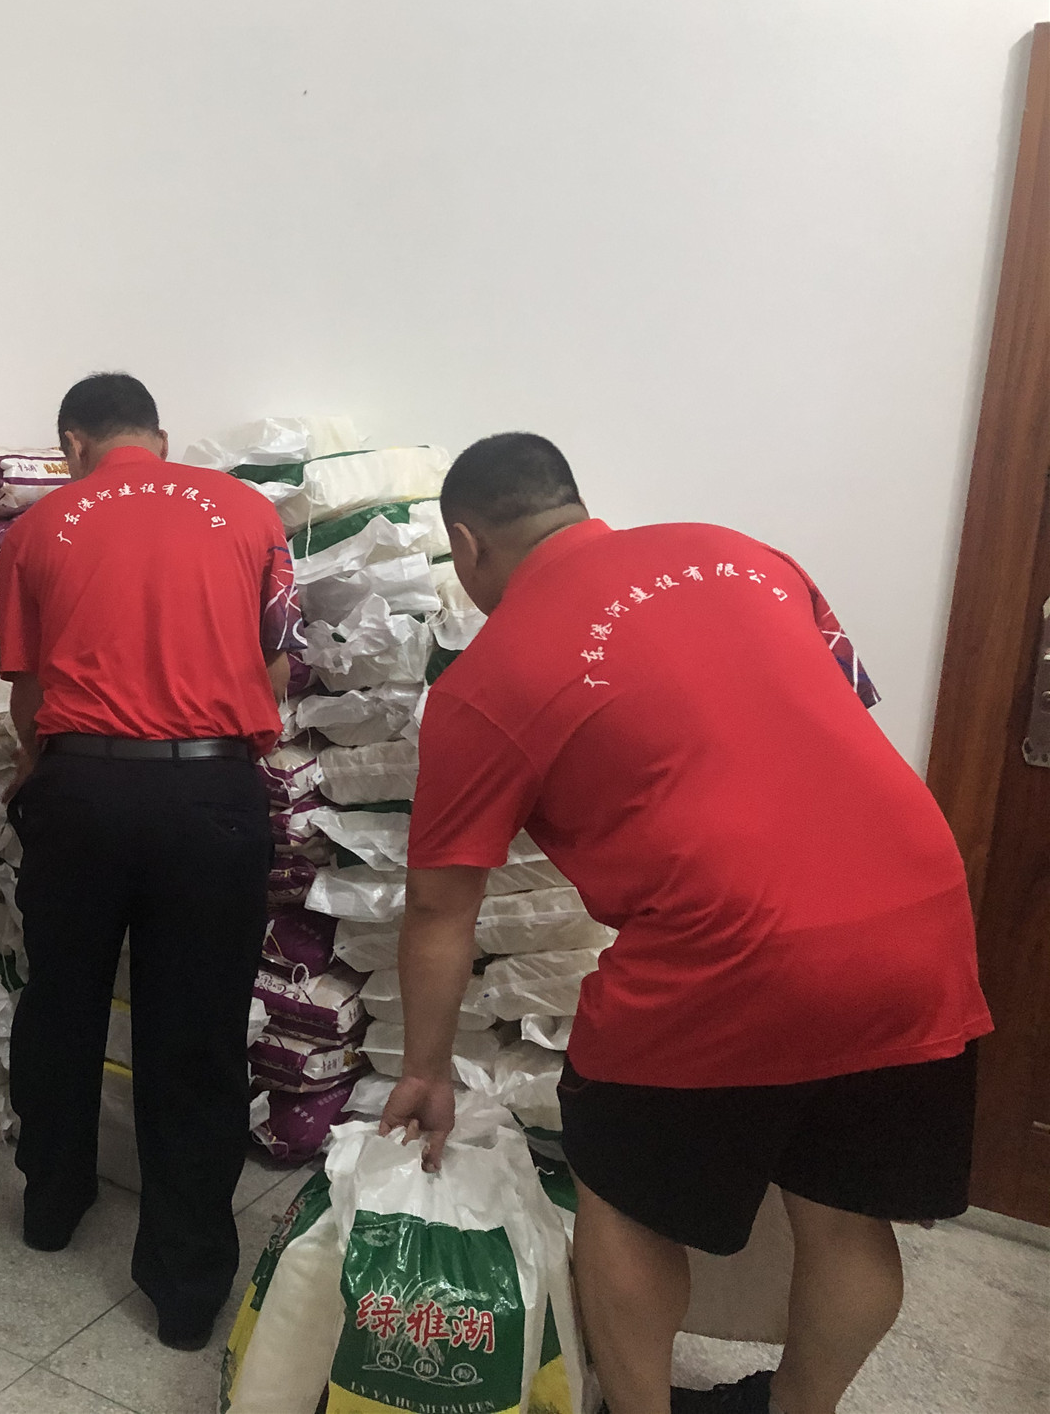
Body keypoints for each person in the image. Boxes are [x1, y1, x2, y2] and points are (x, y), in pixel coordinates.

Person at [379, 434, 993, 1414]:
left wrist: (424, 1070)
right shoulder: (744, 556)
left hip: (728, 946)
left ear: (466, 544)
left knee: (624, 1202)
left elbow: (438, 908)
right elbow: (830, 714)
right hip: (920, 917)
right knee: (845, 1217)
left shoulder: (485, 681)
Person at [0, 373, 304, 1350]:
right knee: (196, 1038)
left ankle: (51, 1207)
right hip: (210, 796)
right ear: (159, 439)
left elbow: (27, 692)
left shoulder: (36, 528)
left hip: (81, 790)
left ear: (73, 444)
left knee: (61, 1004)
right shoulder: (248, 511)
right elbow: (278, 662)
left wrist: (43, 766)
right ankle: (184, 1290)